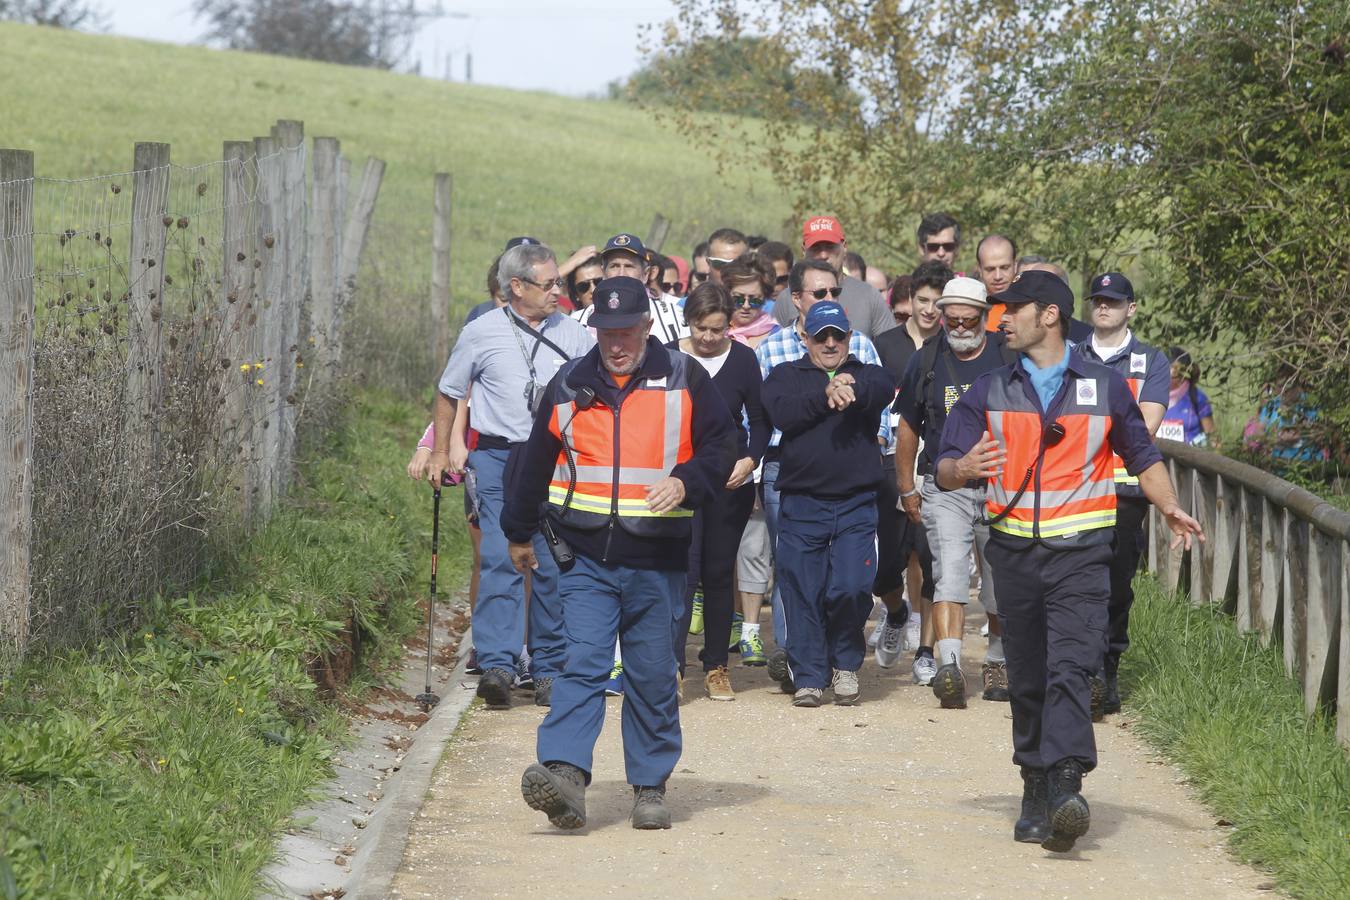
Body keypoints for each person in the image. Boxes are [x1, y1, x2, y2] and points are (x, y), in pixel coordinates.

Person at [936, 269, 1203, 852]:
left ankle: (1066, 784)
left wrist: (1171, 508)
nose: (1001, 320)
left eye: (1013, 310)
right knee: (1028, 676)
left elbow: (1141, 453)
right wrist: (963, 468)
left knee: (1072, 669)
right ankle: (1035, 789)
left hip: (1082, 555)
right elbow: (944, 466)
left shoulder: (1106, 387)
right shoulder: (987, 389)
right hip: (1012, 554)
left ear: (1048, 315)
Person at [503, 276, 735, 831]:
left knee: (652, 674)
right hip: (584, 557)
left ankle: (649, 786)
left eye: (627, 329)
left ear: (648, 326)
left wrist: (687, 481)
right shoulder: (570, 382)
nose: (616, 343)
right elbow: (536, 462)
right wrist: (517, 532)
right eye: (607, 332)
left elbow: (727, 445)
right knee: (580, 664)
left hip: (657, 559)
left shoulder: (686, 378)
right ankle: (564, 774)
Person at [426, 240, 595, 709]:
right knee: (501, 557)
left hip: (558, 463)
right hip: (499, 459)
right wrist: (440, 451)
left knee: (552, 561)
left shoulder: (578, 336)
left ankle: (549, 668)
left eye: (559, 282)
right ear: (516, 286)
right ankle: (498, 664)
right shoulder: (481, 332)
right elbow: (448, 391)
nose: (558, 292)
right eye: (549, 284)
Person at [755, 259, 887, 693]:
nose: (830, 343)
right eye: (821, 336)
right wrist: (823, 394)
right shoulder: (785, 375)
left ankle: (845, 664)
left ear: (849, 338)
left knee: (850, 589)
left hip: (855, 503)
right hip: (802, 500)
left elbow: (882, 389)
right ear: (806, 337)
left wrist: (853, 387)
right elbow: (782, 413)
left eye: (838, 335)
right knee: (802, 591)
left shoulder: (865, 372)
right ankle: (810, 677)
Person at [896, 275, 1015, 707]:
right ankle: (949, 665)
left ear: (985, 317)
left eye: (968, 320)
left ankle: (998, 659)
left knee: (998, 581)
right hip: (944, 485)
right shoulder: (927, 359)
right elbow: (909, 425)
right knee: (949, 571)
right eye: (953, 320)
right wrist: (906, 486)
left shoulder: (1008, 356)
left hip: (1002, 486)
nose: (960, 328)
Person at [1074, 272, 1170, 717]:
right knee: (1077, 582)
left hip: (1128, 491)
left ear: (1131, 308)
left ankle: (1107, 665)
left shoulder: (1151, 360)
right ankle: (1082, 670)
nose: (1104, 307)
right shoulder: (1071, 356)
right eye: (1097, 300)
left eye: (1113, 301)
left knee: (1116, 584)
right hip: (1076, 488)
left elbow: (1145, 427)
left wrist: (1087, 431)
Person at [672, 283, 769, 699]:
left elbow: (762, 421)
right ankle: (671, 666)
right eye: (701, 329)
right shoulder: (669, 358)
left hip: (730, 481)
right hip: (681, 480)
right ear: (687, 322)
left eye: (717, 330)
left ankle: (715, 666)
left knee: (716, 573)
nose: (709, 338)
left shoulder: (744, 359)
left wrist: (750, 461)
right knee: (680, 574)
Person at [721, 256, 781, 666]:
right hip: (720, 453)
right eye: (737, 297)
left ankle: (751, 631)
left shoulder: (778, 339)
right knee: (720, 545)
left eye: (754, 299)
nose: (745, 306)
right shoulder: (710, 337)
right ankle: (724, 618)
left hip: (766, 451)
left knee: (755, 545)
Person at [769, 216, 894, 338]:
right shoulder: (788, 298)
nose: (823, 255)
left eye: (830, 247)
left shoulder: (868, 296)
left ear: (844, 247)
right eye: (815, 248)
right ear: (803, 251)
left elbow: (890, 349)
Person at [574, 233, 689, 345]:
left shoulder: (673, 316)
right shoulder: (578, 321)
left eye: (629, 266)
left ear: (646, 274)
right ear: (603, 272)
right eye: (614, 266)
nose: (621, 273)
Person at [1161, 347, 1218, 447]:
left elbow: (1213, 438)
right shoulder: (1148, 397)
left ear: (1183, 373)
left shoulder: (1197, 398)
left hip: (1190, 459)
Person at [975, 234, 1017, 330]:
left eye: (1004, 268)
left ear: (1015, 266)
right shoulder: (971, 311)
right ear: (980, 270)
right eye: (990, 269)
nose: (998, 276)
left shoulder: (1030, 308)